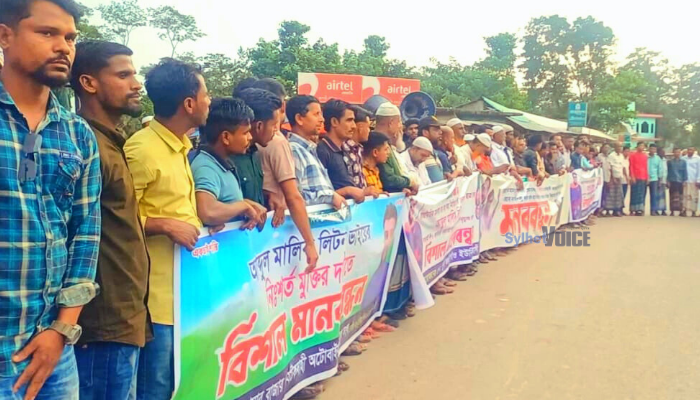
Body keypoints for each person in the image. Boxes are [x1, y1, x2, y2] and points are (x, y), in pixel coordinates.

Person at [0, 1, 101, 398]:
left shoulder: (77, 133)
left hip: (52, 350)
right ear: (5, 35)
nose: (64, 47)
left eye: (70, 38)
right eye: (47, 33)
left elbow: (86, 234)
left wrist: (61, 329)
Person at [70, 40, 150, 400]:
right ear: (89, 83)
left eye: (134, 74)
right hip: (102, 321)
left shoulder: (112, 142)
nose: (136, 84)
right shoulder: (85, 143)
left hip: (125, 315)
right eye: (123, 75)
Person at [124, 59, 207, 400]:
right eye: (205, 94)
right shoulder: (141, 150)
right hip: (154, 299)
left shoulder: (180, 146)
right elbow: (111, 219)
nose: (209, 101)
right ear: (188, 103)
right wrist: (163, 225)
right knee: (155, 386)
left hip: (183, 292)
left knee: (178, 382)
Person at [239, 89, 321, 270]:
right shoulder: (272, 144)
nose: (277, 130)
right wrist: (309, 242)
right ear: (259, 126)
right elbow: (293, 196)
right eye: (274, 125)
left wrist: (268, 193)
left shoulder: (253, 152)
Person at [191, 97, 267, 228]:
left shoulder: (221, 162)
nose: (250, 137)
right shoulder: (206, 167)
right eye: (245, 132)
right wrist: (242, 206)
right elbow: (207, 212)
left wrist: (245, 204)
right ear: (226, 137)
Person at [286, 95, 346, 208]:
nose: (322, 119)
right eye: (316, 114)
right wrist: (330, 197)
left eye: (321, 114)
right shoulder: (293, 150)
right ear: (299, 119)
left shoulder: (309, 150)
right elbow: (295, 197)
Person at [317, 99, 376, 201]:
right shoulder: (322, 151)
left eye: (353, 121)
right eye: (349, 120)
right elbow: (318, 195)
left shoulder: (343, 150)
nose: (353, 126)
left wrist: (365, 192)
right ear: (334, 122)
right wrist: (347, 191)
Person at [375, 103, 417, 193]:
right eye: (399, 122)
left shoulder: (385, 142)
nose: (400, 126)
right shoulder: (377, 142)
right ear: (391, 123)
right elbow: (389, 179)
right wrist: (409, 182)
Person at [343, 105, 372, 188]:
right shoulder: (344, 148)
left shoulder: (359, 149)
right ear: (360, 128)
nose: (369, 130)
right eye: (368, 127)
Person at [419, 117, 452, 183]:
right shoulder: (419, 153)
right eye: (436, 130)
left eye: (440, 129)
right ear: (425, 132)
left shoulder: (434, 152)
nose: (440, 132)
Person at [628, 142, 649, 216]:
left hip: (643, 177)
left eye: (643, 146)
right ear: (637, 146)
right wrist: (632, 176)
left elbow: (646, 167)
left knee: (642, 193)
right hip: (635, 176)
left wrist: (647, 177)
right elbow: (631, 166)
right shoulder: (632, 155)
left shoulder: (645, 156)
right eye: (640, 146)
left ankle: (640, 209)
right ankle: (632, 209)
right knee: (634, 193)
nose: (641, 147)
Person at [606, 143, 626, 217]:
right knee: (611, 194)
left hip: (619, 176)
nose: (620, 148)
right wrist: (612, 178)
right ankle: (608, 211)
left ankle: (617, 210)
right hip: (613, 177)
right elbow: (610, 167)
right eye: (618, 146)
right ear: (615, 147)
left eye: (621, 147)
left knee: (618, 195)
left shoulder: (621, 156)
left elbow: (623, 167)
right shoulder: (611, 155)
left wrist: (626, 176)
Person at [667, 148, 687, 216]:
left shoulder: (683, 162)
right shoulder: (670, 162)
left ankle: (681, 211)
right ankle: (672, 211)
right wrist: (668, 180)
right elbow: (668, 171)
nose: (677, 153)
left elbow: (685, 171)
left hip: (680, 181)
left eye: (678, 152)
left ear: (680, 153)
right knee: (672, 196)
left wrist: (684, 180)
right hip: (672, 180)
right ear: (673, 153)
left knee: (680, 196)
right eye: (676, 152)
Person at [682, 147, 700, 217]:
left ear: (694, 151)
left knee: (694, 196)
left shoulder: (697, 159)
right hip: (685, 180)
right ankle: (684, 210)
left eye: (691, 150)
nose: (690, 151)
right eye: (689, 150)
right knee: (685, 195)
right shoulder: (684, 158)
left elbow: (699, 170)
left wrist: (698, 180)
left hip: (694, 180)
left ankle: (693, 211)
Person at [647, 144, 664, 216]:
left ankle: (653, 210)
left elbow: (660, 169)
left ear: (656, 150)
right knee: (643, 194)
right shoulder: (645, 157)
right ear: (649, 149)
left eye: (654, 149)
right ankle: (641, 209)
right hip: (645, 178)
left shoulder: (658, 158)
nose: (652, 150)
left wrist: (660, 179)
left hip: (654, 179)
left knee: (654, 195)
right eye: (651, 149)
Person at [657, 148, 668, 215]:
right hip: (657, 180)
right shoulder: (657, 159)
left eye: (664, 152)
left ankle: (663, 210)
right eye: (661, 152)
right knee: (657, 196)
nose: (663, 153)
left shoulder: (665, 160)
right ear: (658, 152)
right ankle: (656, 210)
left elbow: (666, 170)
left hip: (664, 180)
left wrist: (667, 180)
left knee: (663, 196)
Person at [622, 146, 631, 214]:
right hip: (622, 179)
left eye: (628, 151)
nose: (627, 153)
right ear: (623, 151)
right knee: (621, 195)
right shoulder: (621, 158)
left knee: (624, 194)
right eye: (626, 151)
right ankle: (618, 209)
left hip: (626, 180)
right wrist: (627, 177)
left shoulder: (627, 159)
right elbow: (623, 169)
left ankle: (621, 209)